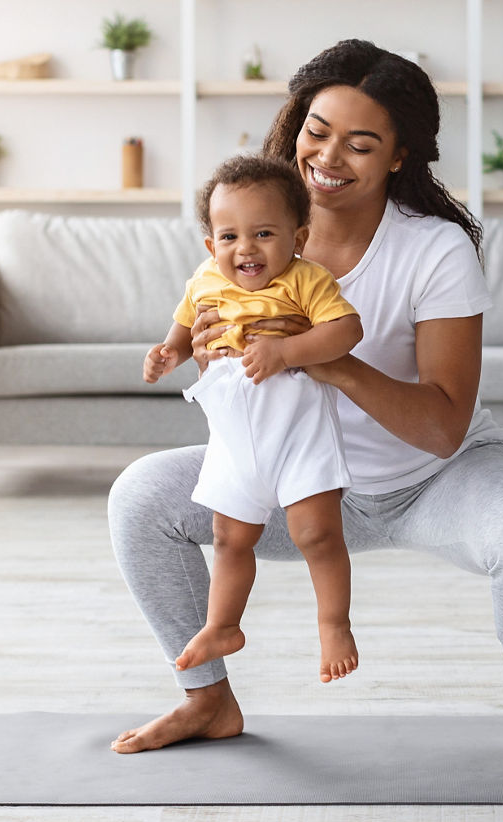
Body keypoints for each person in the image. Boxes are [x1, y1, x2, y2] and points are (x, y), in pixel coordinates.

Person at [108, 39, 503, 780]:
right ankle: (208, 701)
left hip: (434, 477)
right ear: (294, 127)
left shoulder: (435, 251)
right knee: (139, 497)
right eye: (317, 130)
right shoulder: (246, 240)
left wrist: (327, 359)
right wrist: (210, 355)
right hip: (306, 480)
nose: (329, 155)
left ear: (399, 157)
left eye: (361, 142)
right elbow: (224, 374)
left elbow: (443, 427)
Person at [144, 154, 364, 684]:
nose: (246, 248)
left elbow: (347, 331)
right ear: (210, 245)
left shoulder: (306, 279)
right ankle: (223, 624)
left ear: (299, 237)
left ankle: (334, 624)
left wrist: (287, 353)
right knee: (228, 537)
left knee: (317, 534)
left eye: (264, 233)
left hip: (296, 427)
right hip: (234, 435)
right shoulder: (203, 281)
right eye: (229, 236)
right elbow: (181, 325)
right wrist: (169, 353)